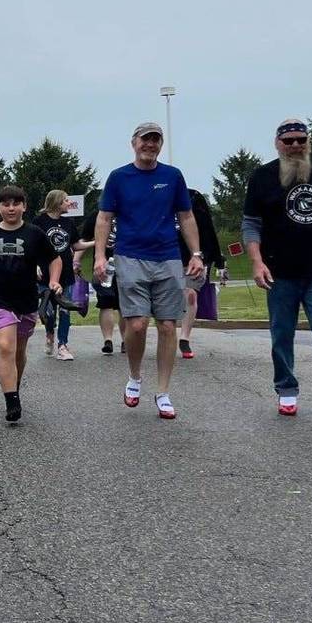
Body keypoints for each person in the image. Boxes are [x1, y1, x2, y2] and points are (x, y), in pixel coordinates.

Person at [242, 119, 312, 420]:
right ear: (277, 143)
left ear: (308, 141)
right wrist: (257, 261)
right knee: (281, 333)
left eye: (300, 140)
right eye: (288, 141)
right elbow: (251, 225)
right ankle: (286, 388)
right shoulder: (263, 176)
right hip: (280, 272)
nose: (294, 146)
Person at [94, 123, 204, 420]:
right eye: (145, 139)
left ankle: (163, 392)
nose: (150, 145)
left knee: (168, 326)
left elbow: (186, 215)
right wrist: (100, 255)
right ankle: (134, 376)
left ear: (160, 145)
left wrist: (195, 254)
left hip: (167, 257)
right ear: (134, 143)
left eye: (156, 140)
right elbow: (104, 218)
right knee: (138, 325)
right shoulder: (119, 177)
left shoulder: (172, 176)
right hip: (131, 256)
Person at [0, 185, 61, 422]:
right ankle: (11, 401)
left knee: (19, 350)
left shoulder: (34, 233)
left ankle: (13, 385)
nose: (11, 208)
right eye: (6, 204)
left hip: (26, 298)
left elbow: (55, 259)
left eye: (16, 203)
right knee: (5, 346)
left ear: (24, 207)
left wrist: (54, 280)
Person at [32, 190, 94, 361]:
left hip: (66, 272)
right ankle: (50, 333)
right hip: (44, 274)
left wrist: (96, 242)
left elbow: (76, 244)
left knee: (65, 309)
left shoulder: (68, 223)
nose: (69, 203)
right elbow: (33, 245)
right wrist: (35, 264)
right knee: (49, 312)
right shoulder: (39, 222)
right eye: (66, 200)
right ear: (58, 202)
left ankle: (63, 345)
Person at [177, 189, 225, 358]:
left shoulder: (195, 198)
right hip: (167, 258)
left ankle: (184, 338)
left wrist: (218, 260)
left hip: (193, 259)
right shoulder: (160, 200)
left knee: (190, 295)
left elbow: (208, 229)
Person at [79, 198, 123, 355]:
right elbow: (84, 239)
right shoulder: (97, 216)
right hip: (103, 265)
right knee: (106, 302)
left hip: (128, 264)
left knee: (125, 304)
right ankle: (108, 340)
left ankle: (126, 340)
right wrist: (76, 261)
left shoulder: (130, 213)